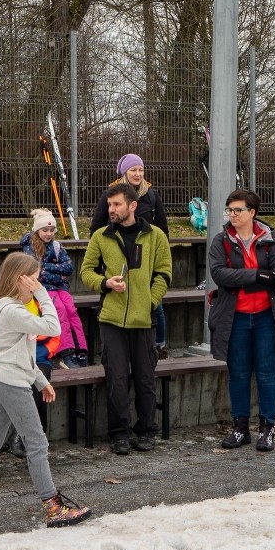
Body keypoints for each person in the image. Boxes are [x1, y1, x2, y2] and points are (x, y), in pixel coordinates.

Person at [0, 253, 92, 528]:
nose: (39, 285)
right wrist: (43, 294)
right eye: (35, 280)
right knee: (37, 443)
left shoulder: (7, 307)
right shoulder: (11, 310)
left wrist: (41, 381)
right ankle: (53, 507)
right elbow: (54, 327)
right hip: (11, 383)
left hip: (4, 379)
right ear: (21, 280)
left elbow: (21, 354)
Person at [80, 182, 172, 455]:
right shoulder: (101, 236)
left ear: (132, 206)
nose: (111, 209)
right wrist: (105, 283)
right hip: (112, 320)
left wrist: (150, 302)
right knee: (117, 378)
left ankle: (146, 430)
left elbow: (164, 273)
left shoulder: (155, 236)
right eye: (110, 205)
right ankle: (119, 434)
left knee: (145, 378)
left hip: (144, 320)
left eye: (117, 204)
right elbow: (86, 271)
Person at [207, 190, 275, 452]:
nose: (232, 215)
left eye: (237, 210)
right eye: (229, 210)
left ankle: (267, 428)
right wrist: (256, 275)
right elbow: (220, 275)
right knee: (238, 374)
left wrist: (242, 277)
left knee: (267, 374)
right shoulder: (221, 240)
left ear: (252, 212)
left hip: (267, 316)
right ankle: (240, 428)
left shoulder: (269, 238)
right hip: (235, 317)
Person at [90, 153, 171, 359]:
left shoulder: (151, 195)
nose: (138, 174)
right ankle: (118, 347)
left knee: (156, 305)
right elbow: (96, 226)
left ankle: (159, 345)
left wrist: (159, 251)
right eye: (133, 170)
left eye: (141, 170)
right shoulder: (110, 195)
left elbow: (162, 227)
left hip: (146, 258)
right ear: (124, 172)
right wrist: (104, 252)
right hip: (118, 256)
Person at [21, 208, 89, 368]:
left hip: (60, 288)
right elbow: (37, 272)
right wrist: (58, 273)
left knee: (71, 310)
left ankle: (81, 350)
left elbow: (69, 268)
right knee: (60, 310)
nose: (49, 234)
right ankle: (66, 353)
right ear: (37, 230)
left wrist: (47, 267)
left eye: (52, 230)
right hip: (43, 288)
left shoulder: (57, 246)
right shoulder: (30, 247)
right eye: (45, 230)